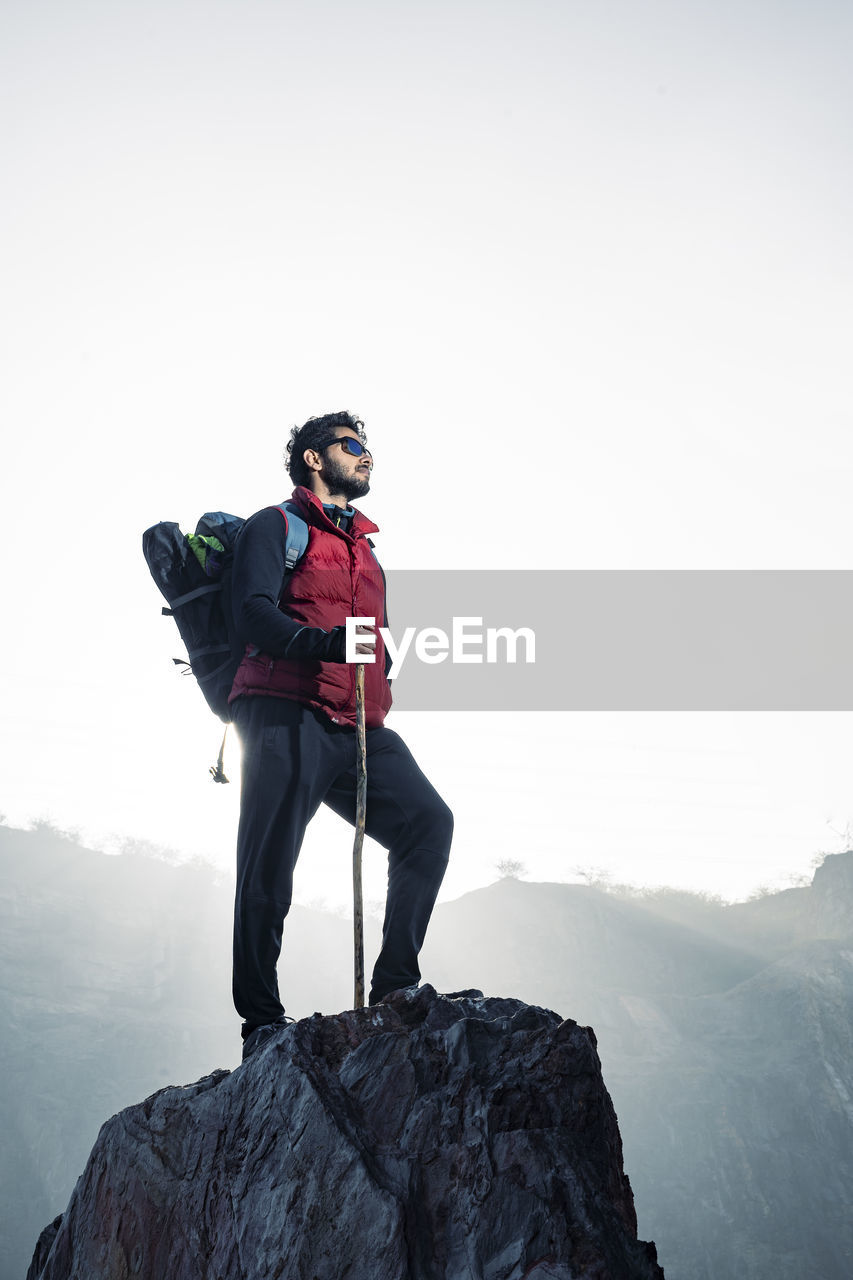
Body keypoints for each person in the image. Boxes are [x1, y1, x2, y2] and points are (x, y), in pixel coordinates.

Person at [229, 410, 453, 1060]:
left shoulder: (365, 549)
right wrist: (327, 643)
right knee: (268, 864)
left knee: (427, 824)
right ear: (312, 458)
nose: (366, 457)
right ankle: (261, 1024)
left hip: (356, 724)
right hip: (280, 708)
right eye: (352, 446)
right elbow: (253, 613)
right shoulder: (276, 526)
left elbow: (373, 639)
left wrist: (382, 676)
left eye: (369, 449)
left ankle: (394, 991)